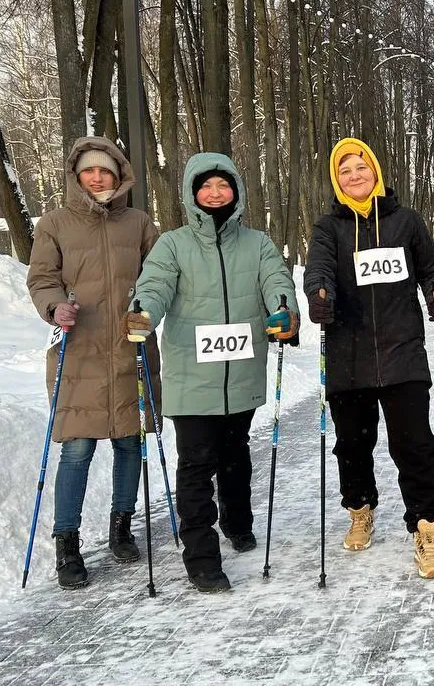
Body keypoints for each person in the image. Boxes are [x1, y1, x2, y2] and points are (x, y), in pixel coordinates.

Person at [128, 153, 298, 592]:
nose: (216, 193)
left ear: (236, 192)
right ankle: (201, 557)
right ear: (192, 193)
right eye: (207, 186)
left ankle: (237, 521)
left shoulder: (256, 242)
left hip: (241, 368)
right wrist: (143, 311)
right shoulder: (173, 244)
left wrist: (283, 308)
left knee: (236, 453)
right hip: (192, 371)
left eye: (224, 185)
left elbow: (275, 280)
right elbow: (155, 285)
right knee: (197, 463)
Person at [304, 138, 434, 579]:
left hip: (402, 350)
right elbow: (319, 268)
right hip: (349, 355)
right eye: (345, 170)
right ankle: (360, 508)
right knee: (352, 445)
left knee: (414, 445)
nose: (355, 176)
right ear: (337, 179)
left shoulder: (406, 221)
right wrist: (319, 294)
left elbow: (430, 267)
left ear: (376, 172)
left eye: (361, 168)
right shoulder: (328, 228)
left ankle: (425, 528)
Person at [27, 137, 161, 590]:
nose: (98, 177)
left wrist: (149, 310)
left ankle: (121, 526)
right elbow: (42, 278)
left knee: (129, 441)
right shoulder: (54, 224)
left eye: (106, 170)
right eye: (89, 171)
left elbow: (158, 276)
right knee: (78, 447)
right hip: (78, 350)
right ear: (76, 175)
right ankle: (67, 541)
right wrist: (53, 307)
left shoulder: (139, 222)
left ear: (119, 174)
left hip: (131, 344)